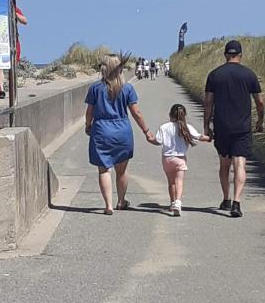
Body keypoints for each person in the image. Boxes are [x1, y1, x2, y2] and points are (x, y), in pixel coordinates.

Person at [85, 54, 156, 214]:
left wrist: (88, 126)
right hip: (122, 130)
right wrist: (146, 131)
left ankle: (108, 205)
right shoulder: (127, 88)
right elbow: (136, 112)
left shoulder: (95, 88)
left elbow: (89, 112)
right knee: (122, 170)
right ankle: (121, 201)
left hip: (101, 130)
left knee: (104, 170)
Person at [204, 40, 264, 218]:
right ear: (240, 55)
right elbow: (260, 102)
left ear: (225, 55)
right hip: (242, 127)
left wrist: (206, 126)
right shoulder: (249, 75)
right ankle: (237, 203)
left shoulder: (214, 75)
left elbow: (208, 103)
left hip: (222, 126)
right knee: (240, 164)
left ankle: (226, 199)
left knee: (224, 164)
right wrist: (260, 120)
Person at [151, 103, 211, 216]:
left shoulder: (164, 127)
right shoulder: (187, 127)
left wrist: (149, 138)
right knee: (179, 181)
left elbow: (157, 141)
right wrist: (210, 138)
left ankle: (172, 202)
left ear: (170, 115)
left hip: (167, 158)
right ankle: (178, 202)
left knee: (171, 182)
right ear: (184, 115)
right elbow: (200, 137)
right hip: (180, 158)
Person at [0, 3, 28, 99]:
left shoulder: (14, 8)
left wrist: (14, 13)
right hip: (0, 40)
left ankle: (12, 88)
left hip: (13, 40)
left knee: (13, 66)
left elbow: (25, 21)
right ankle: (1, 90)